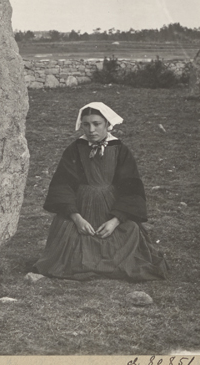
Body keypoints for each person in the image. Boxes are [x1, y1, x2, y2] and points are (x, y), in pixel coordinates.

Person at [34, 102, 167, 281]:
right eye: (86, 124)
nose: (91, 129)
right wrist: (77, 218)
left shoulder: (120, 150)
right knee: (65, 231)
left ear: (107, 124)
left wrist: (115, 220)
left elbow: (130, 187)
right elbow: (63, 185)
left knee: (131, 231)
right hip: (82, 209)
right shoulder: (74, 149)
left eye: (97, 124)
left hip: (110, 209)